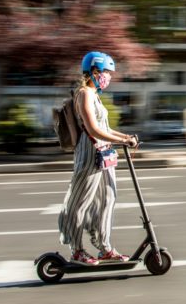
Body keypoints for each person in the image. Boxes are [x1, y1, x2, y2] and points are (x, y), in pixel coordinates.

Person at [58, 51, 138, 265]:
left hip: (104, 153)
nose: (109, 77)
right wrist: (122, 142)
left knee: (107, 200)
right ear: (94, 71)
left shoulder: (95, 95)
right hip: (89, 153)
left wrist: (125, 137)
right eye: (106, 72)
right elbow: (93, 130)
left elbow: (105, 127)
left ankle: (105, 248)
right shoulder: (84, 93)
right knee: (79, 202)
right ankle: (77, 250)